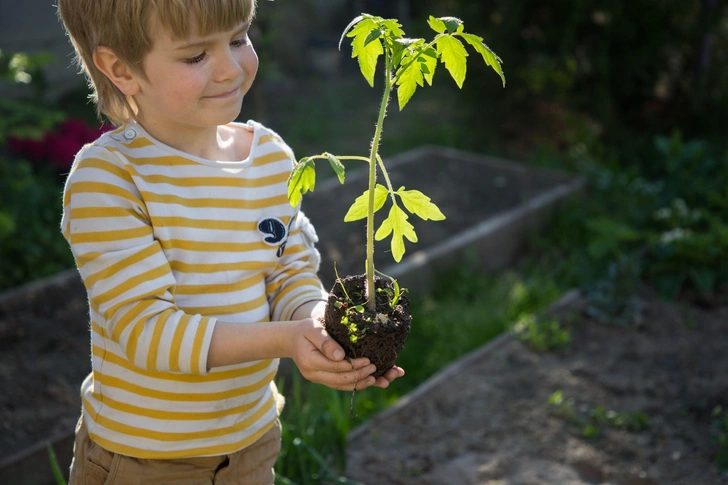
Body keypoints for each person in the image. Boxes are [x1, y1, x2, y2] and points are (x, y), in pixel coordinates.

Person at [56, 1, 404, 483]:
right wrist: (286, 340)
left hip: (251, 444)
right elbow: (147, 331)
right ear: (121, 69)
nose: (229, 68)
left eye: (238, 39)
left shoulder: (272, 159)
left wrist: (321, 327)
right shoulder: (111, 179)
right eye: (195, 56)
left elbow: (288, 274)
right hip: (144, 459)